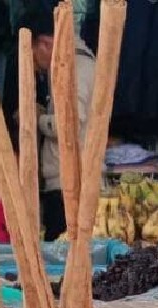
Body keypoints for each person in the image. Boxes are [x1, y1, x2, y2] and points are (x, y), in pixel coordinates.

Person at [22, 11, 96, 242]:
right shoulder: (71, 64)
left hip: (70, 183)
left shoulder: (75, 67)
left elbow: (69, 126)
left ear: (44, 43)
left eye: (33, 56)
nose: (36, 66)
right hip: (68, 180)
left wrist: (38, 118)